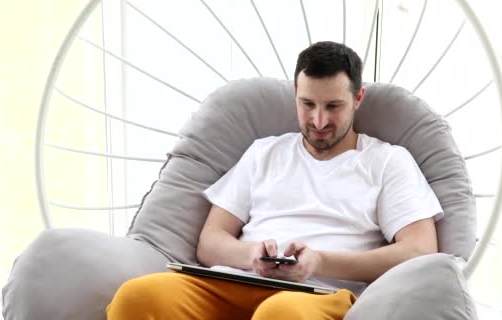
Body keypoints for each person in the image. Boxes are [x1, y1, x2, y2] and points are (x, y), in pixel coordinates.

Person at [106, 41, 443, 320]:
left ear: (358, 99)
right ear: (295, 95)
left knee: (279, 314)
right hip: (240, 282)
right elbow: (210, 243)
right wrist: (252, 255)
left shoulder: (386, 161)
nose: (319, 120)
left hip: (318, 295)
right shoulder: (263, 153)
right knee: (137, 296)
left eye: (334, 106)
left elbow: (420, 250)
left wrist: (319, 261)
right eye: (307, 104)